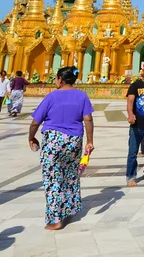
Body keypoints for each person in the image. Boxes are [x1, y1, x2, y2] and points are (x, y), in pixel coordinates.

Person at [28, 66, 94, 230]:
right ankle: (68, 210)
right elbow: (88, 119)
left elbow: (36, 122)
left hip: (53, 142)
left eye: (56, 78)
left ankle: (56, 219)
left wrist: (31, 137)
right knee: (70, 175)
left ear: (60, 79)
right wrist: (89, 141)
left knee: (52, 179)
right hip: (74, 141)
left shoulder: (51, 97)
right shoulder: (82, 96)